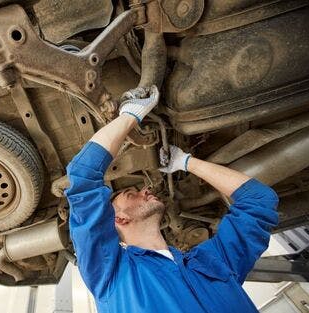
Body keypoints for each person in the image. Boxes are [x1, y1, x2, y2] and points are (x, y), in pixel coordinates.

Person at [65, 86, 279, 313]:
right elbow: (83, 177)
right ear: (119, 219)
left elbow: (259, 201)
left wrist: (186, 161)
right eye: (131, 194)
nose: (145, 189)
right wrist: (129, 116)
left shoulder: (211, 262)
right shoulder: (111, 273)